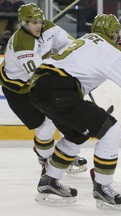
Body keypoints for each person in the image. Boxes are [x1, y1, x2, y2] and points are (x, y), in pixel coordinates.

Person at [28, 14, 121, 210]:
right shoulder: (113, 51)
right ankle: (103, 186)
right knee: (111, 131)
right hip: (59, 90)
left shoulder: (85, 39)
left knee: (76, 135)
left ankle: (49, 181)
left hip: (38, 86)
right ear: (113, 33)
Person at [0, 3, 87, 174]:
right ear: (23, 23)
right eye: (33, 22)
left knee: (64, 116)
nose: (38, 25)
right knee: (46, 126)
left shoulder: (50, 28)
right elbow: (40, 76)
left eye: (39, 21)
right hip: (18, 90)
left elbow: (70, 45)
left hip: (38, 81)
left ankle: (64, 154)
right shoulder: (22, 45)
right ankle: (46, 158)